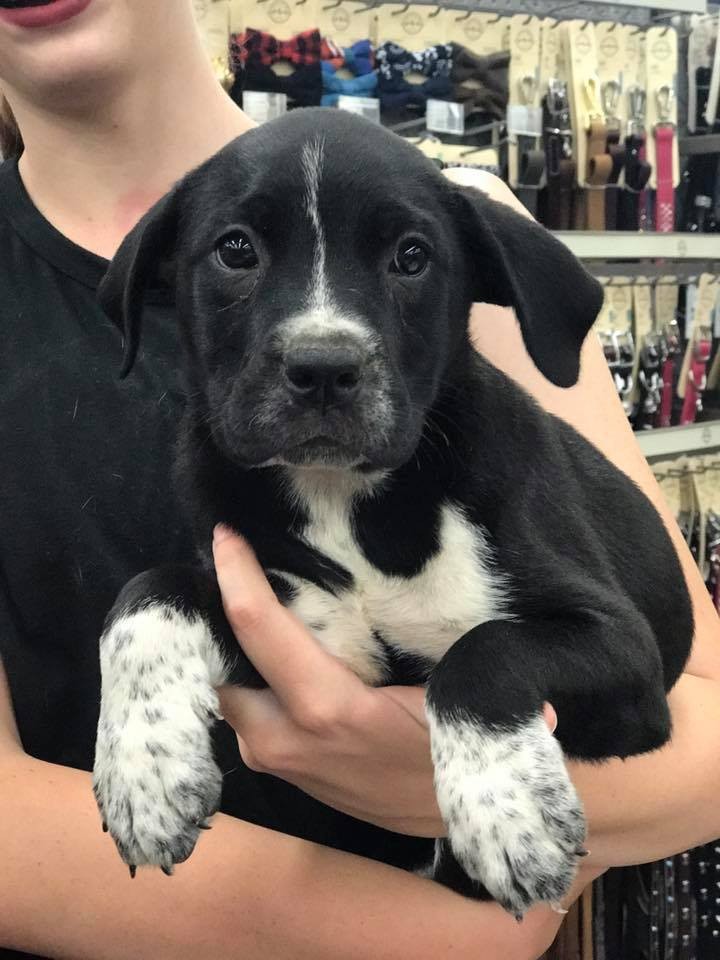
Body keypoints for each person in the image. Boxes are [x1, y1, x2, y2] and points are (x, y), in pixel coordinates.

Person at [0, 2, 718, 958]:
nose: (323, 338)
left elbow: (693, 704)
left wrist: (451, 756)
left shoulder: (472, 219)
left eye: (410, 259)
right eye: (240, 253)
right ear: (152, 287)